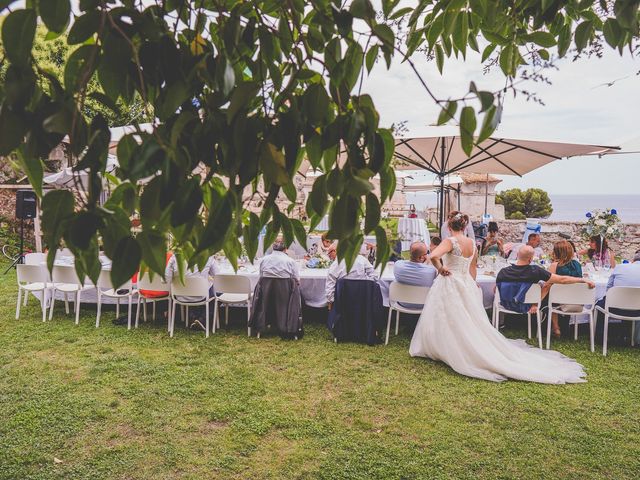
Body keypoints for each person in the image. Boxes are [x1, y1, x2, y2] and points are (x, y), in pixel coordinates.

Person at [409, 212, 590, 384]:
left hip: (450, 281)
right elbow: (472, 268)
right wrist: (470, 284)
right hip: (466, 282)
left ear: (449, 226)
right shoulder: (472, 243)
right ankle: (449, 346)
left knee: (446, 315)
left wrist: (440, 269)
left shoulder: (450, 240)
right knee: (466, 320)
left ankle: (446, 348)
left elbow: (433, 256)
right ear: (465, 226)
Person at [595, 249, 640, 343]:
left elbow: (609, 288)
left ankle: (600, 338)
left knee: (599, 304)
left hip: (615, 308)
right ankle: (627, 335)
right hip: (638, 312)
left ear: (633, 260)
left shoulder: (620, 267)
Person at [542, 240, 584, 337]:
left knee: (548, 295)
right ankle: (565, 324)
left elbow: (548, 284)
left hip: (559, 299)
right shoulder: (577, 265)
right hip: (576, 299)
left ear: (556, 252)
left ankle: (556, 327)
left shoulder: (554, 266)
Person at [393, 241, 438, 309]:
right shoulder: (431, 271)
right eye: (427, 253)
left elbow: (403, 262)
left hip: (402, 303)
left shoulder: (397, 266)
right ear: (421, 257)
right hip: (423, 304)